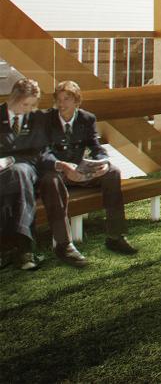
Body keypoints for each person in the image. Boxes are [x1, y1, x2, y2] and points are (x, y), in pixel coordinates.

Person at [47, 81, 136, 255]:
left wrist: (103, 162)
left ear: (76, 101)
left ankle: (115, 236)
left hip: (80, 172)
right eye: (59, 99)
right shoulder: (47, 119)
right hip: (56, 174)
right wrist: (64, 167)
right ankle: (64, 244)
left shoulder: (86, 118)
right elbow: (42, 152)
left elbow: (96, 147)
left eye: (66, 99)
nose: (61, 104)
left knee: (113, 171)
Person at [2, 79, 81, 269]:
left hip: (32, 168)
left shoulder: (36, 118)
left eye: (32, 105)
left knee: (50, 179)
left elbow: (43, 151)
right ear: (13, 98)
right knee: (18, 174)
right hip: (5, 174)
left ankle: (63, 244)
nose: (28, 109)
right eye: (25, 104)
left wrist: (58, 163)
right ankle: (24, 250)